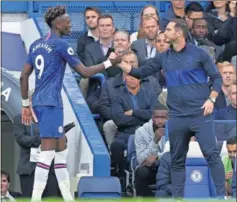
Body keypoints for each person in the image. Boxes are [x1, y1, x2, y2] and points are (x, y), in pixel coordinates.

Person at [117, 18, 225, 199]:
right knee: (177, 161)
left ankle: (222, 197)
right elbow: (139, 72)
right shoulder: (163, 57)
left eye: (167, 30)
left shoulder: (199, 54)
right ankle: (177, 198)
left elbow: (217, 78)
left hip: (200, 114)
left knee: (212, 155)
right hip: (176, 117)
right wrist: (118, 62)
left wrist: (211, 100)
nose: (163, 32)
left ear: (179, 33)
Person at [20, 6, 118, 202]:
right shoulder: (62, 45)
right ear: (58, 24)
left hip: (42, 101)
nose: (71, 23)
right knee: (47, 153)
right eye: (67, 21)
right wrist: (109, 63)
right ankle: (35, 199)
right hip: (50, 103)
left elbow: (24, 76)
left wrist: (24, 104)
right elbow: (85, 72)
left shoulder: (36, 44)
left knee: (61, 148)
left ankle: (67, 197)